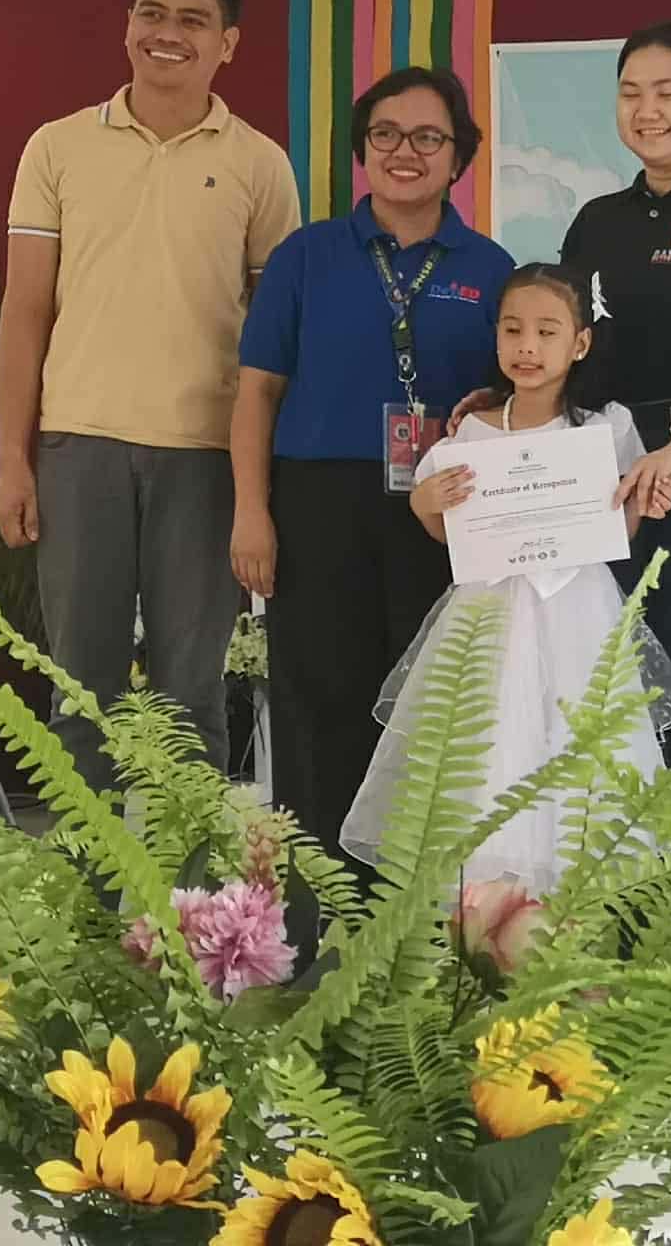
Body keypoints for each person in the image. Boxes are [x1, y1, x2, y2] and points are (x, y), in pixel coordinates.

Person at [456, 21, 671, 816]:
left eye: (668, 92)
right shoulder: (597, 221)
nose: (647, 109)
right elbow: (567, 341)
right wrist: (500, 403)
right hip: (602, 464)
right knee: (612, 678)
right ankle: (633, 902)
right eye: (630, 93)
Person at [0, 0, 299, 787]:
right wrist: (13, 459)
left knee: (191, 701)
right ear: (128, 25)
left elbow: (273, 349)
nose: (168, 33)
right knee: (78, 698)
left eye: (193, 20)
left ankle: (195, 915)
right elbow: (25, 312)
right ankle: (88, 916)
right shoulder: (55, 148)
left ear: (228, 43)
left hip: (204, 459)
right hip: (75, 451)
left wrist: (255, 491)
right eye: (152, 14)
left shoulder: (259, 165)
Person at [232, 67, 514, 861]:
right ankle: (321, 912)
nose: (406, 152)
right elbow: (256, 394)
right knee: (316, 704)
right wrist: (251, 512)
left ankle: (421, 917)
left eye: (430, 137)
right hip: (318, 503)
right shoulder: (306, 258)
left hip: (443, 511)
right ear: (363, 149)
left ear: (459, 157)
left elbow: (522, 385)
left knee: (431, 709)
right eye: (386, 134)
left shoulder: (490, 269)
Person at [342, 264, 671, 891]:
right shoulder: (472, 430)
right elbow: (448, 531)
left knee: (575, 740)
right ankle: (492, 914)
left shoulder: (606, 427)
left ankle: (569, 925)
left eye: (547, 332)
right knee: (491, 741)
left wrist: (642, 503)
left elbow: (622, 532)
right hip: (490, 615)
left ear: (579, 343)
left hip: (577, 612)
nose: (528, 347)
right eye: (513, 330)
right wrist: (425, 503)